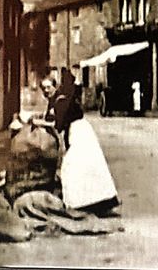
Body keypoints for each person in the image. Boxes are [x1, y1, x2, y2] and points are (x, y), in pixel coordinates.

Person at [37, 76, 119, 215]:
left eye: (48, 87)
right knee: (81, 167)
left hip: (79, 132)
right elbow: (52, 117)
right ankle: (89, 202)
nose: (46, 91)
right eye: (43, 88)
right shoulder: (55, 101)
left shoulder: (61, 100)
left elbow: (58, 125)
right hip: (75, 132)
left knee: (74, 166)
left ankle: (84, 202)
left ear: (55, 87)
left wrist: (39, 123)